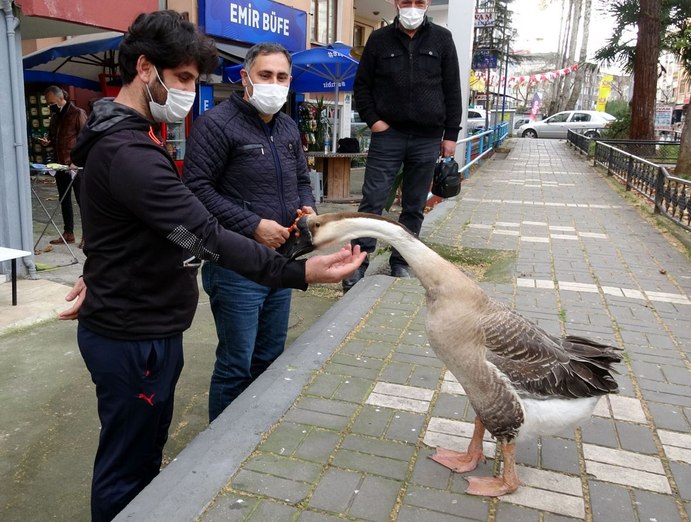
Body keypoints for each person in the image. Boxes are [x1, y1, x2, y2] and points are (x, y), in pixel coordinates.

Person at [59, 11, 364, 521]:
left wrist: (101, 272)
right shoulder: (131, 150)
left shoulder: (133, 137)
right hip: (133, 334)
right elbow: (201, 230)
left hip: (143, 322)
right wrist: (300, 272)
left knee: (142, 456)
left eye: (194, 81)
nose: (186, 92)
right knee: (126, 467)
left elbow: (156, 227)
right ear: (144, 68)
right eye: (181, 79)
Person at [184, 43, 314, 422]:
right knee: (235, 363)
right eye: (265, 75)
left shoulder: (288, 126)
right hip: (235, 265)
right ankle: (218, 445)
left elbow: (302, 180)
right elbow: (196, 190)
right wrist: (252, 225)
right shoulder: (215, 125)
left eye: (281, 77)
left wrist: (308, 208)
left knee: (271, 356)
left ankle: (253, 432)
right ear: (245, 78)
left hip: (282, 259)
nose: (274, 83)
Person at [343, 0, 462, 291]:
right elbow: (362, 86)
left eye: (418, 2)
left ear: (428, 3)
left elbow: (452, 89)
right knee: (372, 202)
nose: (412, 7)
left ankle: (401, 261)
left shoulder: (442, 39)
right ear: (396, 2)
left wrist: (451, 135)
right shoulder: (379, 40)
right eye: (406, 1)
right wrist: (374, 121)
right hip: (388, 135)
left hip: (427, 137)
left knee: (413, 206)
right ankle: (358, 262)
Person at [38, 86, 87, 247]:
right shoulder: (55, 116)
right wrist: (48, 143)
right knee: (64, 199)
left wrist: (77, 160)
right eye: (47, 103)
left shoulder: (77, 113)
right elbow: (54, 138)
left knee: (82, 200)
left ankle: (88, 235)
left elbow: (85, 139)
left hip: (75, 165)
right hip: (59, 164)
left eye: (51, 102)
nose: (49, 105)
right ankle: (68, 232)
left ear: (61, 98)